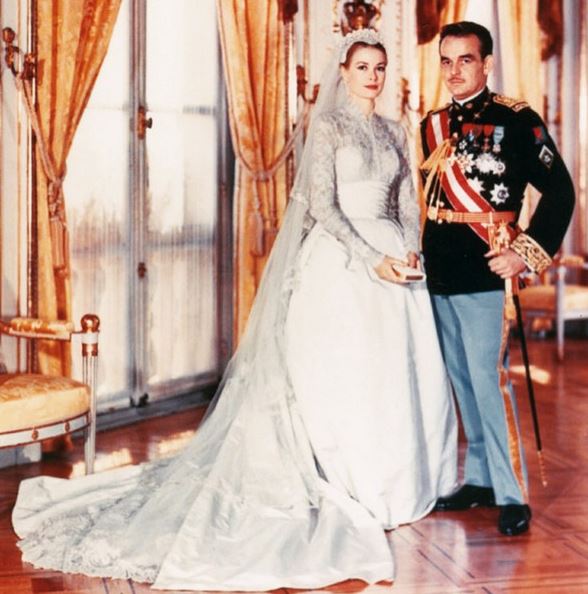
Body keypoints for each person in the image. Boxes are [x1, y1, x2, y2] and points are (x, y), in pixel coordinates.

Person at [12, 29, 457, 590]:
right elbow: (324, 206)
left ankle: (396, 481)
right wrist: (373, 259)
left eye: (379, 67)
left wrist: (410, 248)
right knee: (344, 370)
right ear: (344, 73)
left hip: (397, 262)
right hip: (345, 261)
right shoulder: (328, 127)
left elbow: (408, 202)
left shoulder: (395, 130)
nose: (372, 76)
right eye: (362, 66)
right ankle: (347, 482)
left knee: (392, 374)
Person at [419, 21, 575, 536]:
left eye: (465, 60)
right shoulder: (432, 124)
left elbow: (561, 192)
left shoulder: (516, 120)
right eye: (446, 61)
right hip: (441, 266)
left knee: (489, 380)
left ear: (486, 64)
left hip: (487, 268)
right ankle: (481, 479)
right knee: (461, 378)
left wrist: (524, 255)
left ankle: (511, 493)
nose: (454, 71)